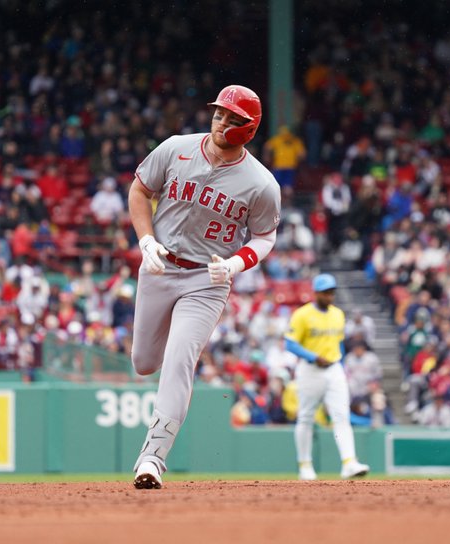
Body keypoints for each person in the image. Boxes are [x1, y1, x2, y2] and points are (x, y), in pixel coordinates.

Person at [129, 84, 281, 489]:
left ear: (249, 128)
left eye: (232, 118)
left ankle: (152, 458)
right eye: (219, 113)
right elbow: (140, 190)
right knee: (144, 362)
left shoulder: (261, 183)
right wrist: (146, 241)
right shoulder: (177, 147)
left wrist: (234, 264)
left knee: (179, 360)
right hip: (159, 266)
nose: (221, 122)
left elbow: (265, 237)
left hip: (206, 280)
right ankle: (155, 438)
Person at [285, 273, 370, 481]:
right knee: (305, 417)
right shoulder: (302, 314)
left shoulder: (338, 314)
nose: (329, 296)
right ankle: (305, 465)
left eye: (332, 292)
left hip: (334, 369)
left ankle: (349, 462)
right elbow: (290, 344)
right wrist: (313, 356)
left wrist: (339, 363)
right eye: (325, 292)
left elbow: (339, 342)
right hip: (310, 369)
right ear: (315, 293)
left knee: (341, 416)